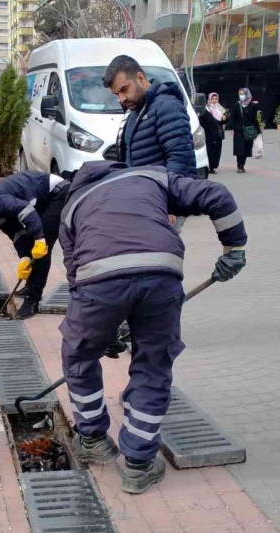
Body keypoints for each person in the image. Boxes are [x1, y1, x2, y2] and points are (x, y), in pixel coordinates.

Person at [59, 160, 247, 495]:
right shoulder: (152, 177)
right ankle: (138, 465)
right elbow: (216, 193)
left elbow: (75, 274)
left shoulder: (73, 205)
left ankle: (91, 438)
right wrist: (234, 248)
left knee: (78, 355)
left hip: (99, 282)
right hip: (161, 274)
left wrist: (98, 331)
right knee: (153, 364)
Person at [0, 171, 68, 319]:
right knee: (33, 244)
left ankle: (32, 300)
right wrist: (24, 258)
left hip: (56, 192)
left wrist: (40, 238)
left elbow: (24, 209)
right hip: (43, 197)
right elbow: (17, 233)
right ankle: (30, 287)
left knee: (43, 248)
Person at [103, 55, 196, 175]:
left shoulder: (167, 107)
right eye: (117, 94)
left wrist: (159, 192)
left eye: (124, 89)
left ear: (140, 78)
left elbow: (180, 161)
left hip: (162, 191)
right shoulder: (134, 110)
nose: (121, 99)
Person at [230, 87, 260, 174]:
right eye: (240, 94)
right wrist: (232, 127)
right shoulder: (237, 105)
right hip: (239, 130)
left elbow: (254, 119)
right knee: (239, 149)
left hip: (249, 130)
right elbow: (233, 117)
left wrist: (258, 130)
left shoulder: (253, 105)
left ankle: (243, 163)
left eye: (243, 94)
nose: (241, 96)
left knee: (246, 149)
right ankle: (239, 165)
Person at [198, 92, 226, 174]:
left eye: (216, 99)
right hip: (208, 134)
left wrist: (224, 118)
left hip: (218, 133)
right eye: (212, 99)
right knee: (209, 150)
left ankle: (213, 166)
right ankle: (208, 166)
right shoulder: (206, 109)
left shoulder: (220, 108)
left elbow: (223, 121)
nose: (214, 100)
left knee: (217, 150)